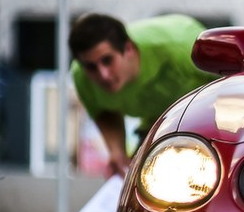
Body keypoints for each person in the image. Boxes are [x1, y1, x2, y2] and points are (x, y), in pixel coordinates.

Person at [69, 13, 218, 176]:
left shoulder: (182, 47)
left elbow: (233, 82)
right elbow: (104, 112)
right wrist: (117, 151)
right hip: (156, 122)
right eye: (91, 67)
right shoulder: (81, 77)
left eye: (107, 60)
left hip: (211, 112)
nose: (103, 75)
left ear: (128, 49)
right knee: (137, 178)